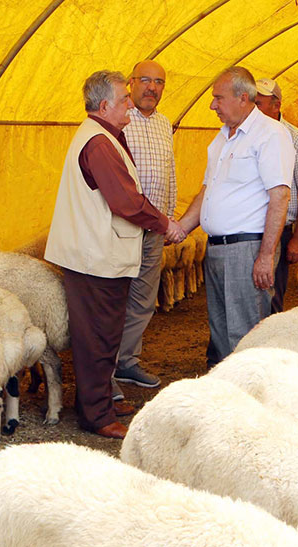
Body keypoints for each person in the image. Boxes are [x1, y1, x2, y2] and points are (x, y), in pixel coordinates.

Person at [44, 70, 185, 439]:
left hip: (99, 254)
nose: (129, 104)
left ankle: (99, 399)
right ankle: (97, 415)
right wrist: (164, 223)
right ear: (105, 105)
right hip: (96, 257)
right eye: (124, 99)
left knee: (103, 334)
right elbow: (124, 200)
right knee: (97, 337)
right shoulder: (99, 143)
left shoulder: (104, 136)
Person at [175, 67, 293, 368]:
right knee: (221, 333)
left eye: (218, 98)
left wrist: (266, 256)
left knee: (245, 334)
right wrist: (181, 229)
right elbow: (208, 190)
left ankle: (251, 401)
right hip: (218, 249)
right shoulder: (223, 138)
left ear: (243, 98)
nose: (212, 105)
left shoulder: (270, 135)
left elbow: (280, 196)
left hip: (246, 250)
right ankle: (229, 396)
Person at [112, 60, 176, 394]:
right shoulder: (120, 120)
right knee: (115, 295)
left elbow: (170, 173)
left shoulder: (165, 124)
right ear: (132, 83)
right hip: (123, 227)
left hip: (154, 229)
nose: (152, 88)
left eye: (159, 82)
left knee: (143, 298)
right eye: (146, 80)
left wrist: (169, 216)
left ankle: (127, 361)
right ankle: (105, 368)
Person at [254, 78, 298, 313]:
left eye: (259, 103)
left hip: (279, 231)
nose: (253, 108)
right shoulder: (246, 134)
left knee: (272, 292)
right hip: (249, 228)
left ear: (276, 105)